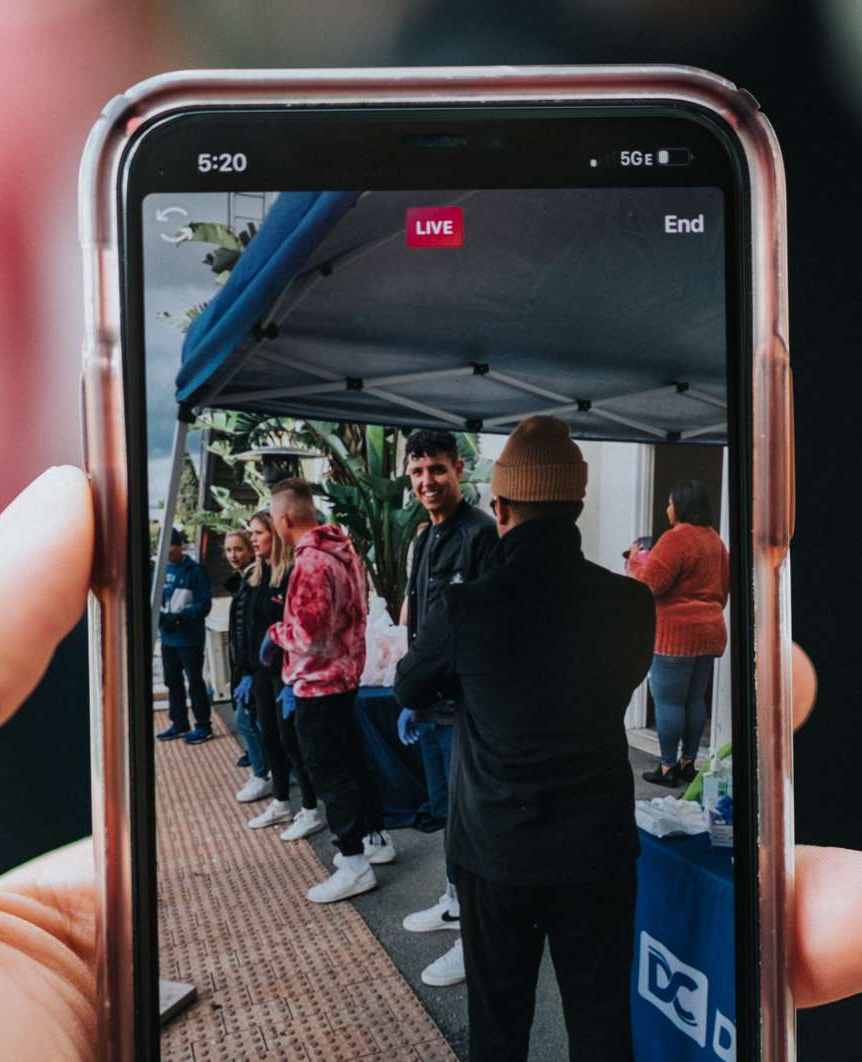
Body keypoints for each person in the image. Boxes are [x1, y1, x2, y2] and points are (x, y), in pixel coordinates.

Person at [0, 467, 862, 1059]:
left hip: (505, 807)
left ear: (506, 500)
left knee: (513, 999)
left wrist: (431, 678)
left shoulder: (492, 582)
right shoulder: (603, 595)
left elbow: (429, 667)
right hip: (575, 812)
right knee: (596, 994)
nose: (435, 489)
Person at [392, 416, 649, 1060]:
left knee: (499, 1025)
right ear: (579, 502)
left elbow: (408, 686)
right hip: (598, 849)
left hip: (496, 851)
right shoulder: (631, 602)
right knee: (601, 1024)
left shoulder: (467, 607)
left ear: (500, 505)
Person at [395, 429, 499, 989]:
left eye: (436, 469)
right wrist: (414, 691)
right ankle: (457, 902)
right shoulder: (426, 538)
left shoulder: (481, 536)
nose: (427, 481)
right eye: (417, 473)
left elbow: (482, 630)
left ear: (459, 469)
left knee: (470, 820)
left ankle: (474, 941)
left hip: (467, 710)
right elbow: (425, 622)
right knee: (448, 814)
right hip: (431, 704)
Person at [263, 477, 393, 903]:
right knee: (351, 764)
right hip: (346, 677)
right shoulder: (344, 549)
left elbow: (308, 635)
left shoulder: (311, 563)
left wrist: (274, 633)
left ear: (283, 519)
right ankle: (374, 839)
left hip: (318, 685)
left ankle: (354, 863)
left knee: (329, 770)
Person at [632, 479, 730, 787]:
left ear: (683, 506)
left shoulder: (677, 538)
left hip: (675, 635)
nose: (667, 508)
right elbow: (724, 588)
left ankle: (667, 768)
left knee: (669, 703)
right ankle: (689, 764)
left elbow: (648, 585)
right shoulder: (716, 541)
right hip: (709, 632)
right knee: (694, 701)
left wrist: (635, 560)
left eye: (671, 503)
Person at [240, 510, 326, 840]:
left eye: (258, 533)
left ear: (274, 536)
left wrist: (291, 679)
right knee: (270, 737)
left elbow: (298, 629)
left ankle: (310, 807)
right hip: (261, 673)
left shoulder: (289, 574)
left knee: (292, 741)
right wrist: (245, 672)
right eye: (251, 533)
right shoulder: (254, 577)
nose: (253, 539)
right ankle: (281, 801)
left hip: (286, 674)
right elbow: (246, 629)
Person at [155, 527, 214, 745]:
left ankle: (204, 725)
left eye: (170, 546)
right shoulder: (158, 572)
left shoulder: (195, 571)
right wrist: (162, 618)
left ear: (179, 546)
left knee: (195, 682)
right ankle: (179, 723)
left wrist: (179, 617)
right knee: (172, 681)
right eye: (163, 547)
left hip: (189, 639)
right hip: (168, 638)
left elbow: (204, 605)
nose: (167, 552)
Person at [221, 528, 267, 776]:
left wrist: (247, 669)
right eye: (228, 550)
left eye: (238, 549)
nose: (233, 555)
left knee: (245, 720)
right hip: (245, 665)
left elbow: (249, 631)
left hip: (252, 666)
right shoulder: (241, 582)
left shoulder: (252, 582)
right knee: (250, 719)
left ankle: (262, 771)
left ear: (251, 551)